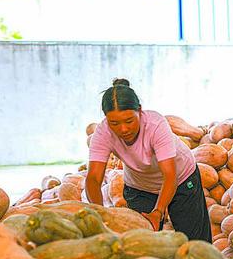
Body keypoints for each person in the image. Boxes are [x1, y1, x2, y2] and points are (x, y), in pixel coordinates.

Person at [85, 78, 212, 242]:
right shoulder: (102, 133)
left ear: (140, 110)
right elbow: (94, 178)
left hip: (181, 178)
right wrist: (100, 215)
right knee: (140, 243)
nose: (123, 129)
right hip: (140, 186)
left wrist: (158, 212)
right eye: (114, 123)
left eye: (129, 121)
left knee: (195, 242)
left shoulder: (156, 124)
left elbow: (170, 176)